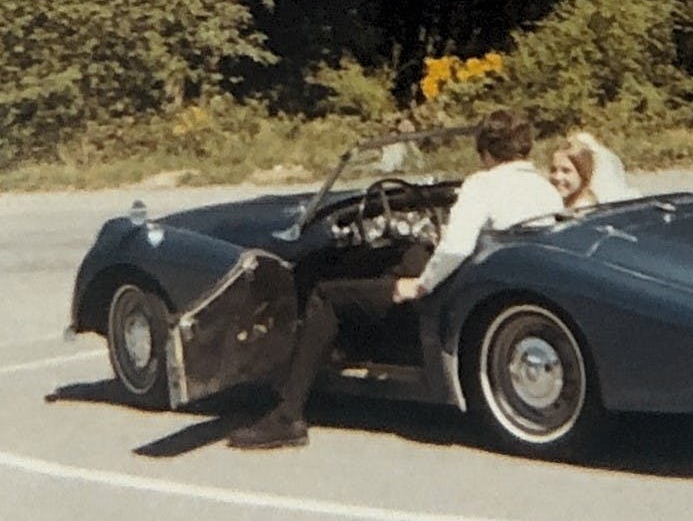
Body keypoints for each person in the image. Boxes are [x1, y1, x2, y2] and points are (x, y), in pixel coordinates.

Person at [227, 109, 564, 449]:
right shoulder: (544, 188)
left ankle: (288, 416)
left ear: (486, 152)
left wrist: (419, 285)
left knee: (325, 295)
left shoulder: (483, 184)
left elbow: (456, 247)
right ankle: (346, 349)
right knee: (405, 257)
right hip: (491, 281)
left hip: (448, 292)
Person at [549, 132, 640, 208]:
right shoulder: (564, 202)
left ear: (583, 174)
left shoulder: (584, 207)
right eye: (553, 170)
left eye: (566, 171)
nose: (557, 177)